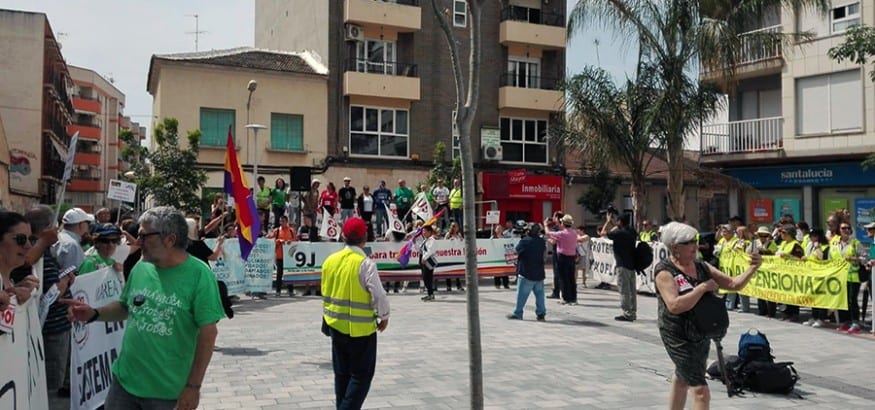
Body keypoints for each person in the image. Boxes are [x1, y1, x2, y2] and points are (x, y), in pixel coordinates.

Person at [62, 206, 226, 410]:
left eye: (143, 236)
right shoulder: (142, 266)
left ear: (170, 239)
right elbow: (125, 306)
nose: (137, 242)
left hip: (167, 393)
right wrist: (95, 313)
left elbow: (208, 334)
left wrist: (193, 387)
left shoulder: (199, 275)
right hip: (124, 384)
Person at [654, 222, 762, 410]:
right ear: (675, 247)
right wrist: (702, 288)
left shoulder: (701, 266)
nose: (695, 246)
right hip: (677, 334)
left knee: (682, 377)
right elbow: (674, 305)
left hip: (701, 330)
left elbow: (734, 284)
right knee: (701, 391)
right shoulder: (665, 272)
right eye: (689, 243)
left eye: (695, 241)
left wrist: (752, 269)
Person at [321, 217, 390, 409]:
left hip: (335, 326)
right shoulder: (365, 264)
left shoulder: (329, 262)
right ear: (365, 239)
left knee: (341, 376)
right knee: (361, 376)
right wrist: (384, 316)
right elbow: (379, 295)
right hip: (361, 330)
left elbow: (326, 292)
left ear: (343, 236)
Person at [11, 206, 68, 398]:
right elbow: (27, 260)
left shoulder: (43, 247)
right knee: (44, 388)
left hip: (51, 326)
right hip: (44, 330)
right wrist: (43, 241)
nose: (25, 245)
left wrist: (64, 280)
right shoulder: (32, 247)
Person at [601, 212, 637, 321]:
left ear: (620, 222)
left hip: (622, 265)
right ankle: (633, 312)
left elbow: (603, 233)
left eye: (617, 221)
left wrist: (608, 221)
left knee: (624, 291)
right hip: (632, 264)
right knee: (632, 291)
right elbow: (617, 231)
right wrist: (615, 224)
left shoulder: (619, 234)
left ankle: (627, 313)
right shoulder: (631, 231)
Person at [507, 223, 547, 321]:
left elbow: (515, 251)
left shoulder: (525, 241)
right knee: (540, 295)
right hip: (539, 273)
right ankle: (541, 313)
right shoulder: (541, 241)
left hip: (526, 273)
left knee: (521, 295)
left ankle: (518, 313)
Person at [832, 222, 863, 334]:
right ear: (839, 230)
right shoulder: (834, 243)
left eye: (848, 228)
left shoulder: (855, 243)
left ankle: (855, 322)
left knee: (851, 300)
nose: (846, 230)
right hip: (839, 276)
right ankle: (845, 321)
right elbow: (831, 258)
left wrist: (854, 258)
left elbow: (864, 258)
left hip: (852, 276)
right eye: (843, 228)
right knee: (841, 300)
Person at [547, 215, 579, 305]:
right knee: (571, 278)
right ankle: (573, 298)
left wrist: (545, 225)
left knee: (563, 278)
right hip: (571, 257)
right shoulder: (574, 233)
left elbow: (548, 233)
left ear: (563, 224)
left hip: (562, 257)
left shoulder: (562, 234)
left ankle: (565, 298)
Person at [803, 228, 830, 327]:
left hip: (821, 275)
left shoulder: (825, 247)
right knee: (813, 296)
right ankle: (813, 316)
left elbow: (822, 258)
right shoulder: (809, 245)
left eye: (812, 235)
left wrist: (818, 247)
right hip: (811, 274)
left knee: (821, 297)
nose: (810, 237)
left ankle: (821, 318)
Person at [53, 207, 93, 274]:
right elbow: (72, 275)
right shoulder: (72, 245)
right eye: (88, 223)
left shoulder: (57, 237)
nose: (88, 226)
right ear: (81, 224)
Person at [267, 215, 296, 297]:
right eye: (280, 221)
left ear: (286, 222)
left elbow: (296, 240)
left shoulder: (291, 230)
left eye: (283, 221)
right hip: (279, 256)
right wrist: (279, 241)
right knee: (279, 274)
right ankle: (278, 291)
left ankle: (290, 291)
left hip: (289, 256)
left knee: (289, 274)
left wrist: (290, 241)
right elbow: (270, 239)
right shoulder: (277, 231)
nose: (281, 223)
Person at [443, 222, 464, 292]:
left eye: (457, 227)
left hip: (457, 255)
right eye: (454, 227)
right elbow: (444, 243)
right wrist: (449, 241)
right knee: (449, 271)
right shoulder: (448, 234)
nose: (456, 228)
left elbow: (462, 243)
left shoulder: (459, 234)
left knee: (457, 270)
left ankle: (459, 285)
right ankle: (448, 286)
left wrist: (461, 240)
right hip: (449, 255)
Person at [419, 225, 437, 301]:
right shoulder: (425, 240)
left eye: (425, 231)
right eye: (423, 231)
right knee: (425, 278)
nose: (423, 233)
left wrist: (424, 258)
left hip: (427, 261)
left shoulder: (431, 240)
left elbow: (430, 251)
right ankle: (430, 294)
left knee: (427, 278)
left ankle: (431, 294)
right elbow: (421, 250)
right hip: (424, 261)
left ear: (429, 232)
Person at [492, 225, 510, 289]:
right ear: (495, 230)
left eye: (500, 228)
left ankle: (506, 284)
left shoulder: (505, 237)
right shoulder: (492, 238)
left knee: (505, 271)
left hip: (503, 256)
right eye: (497, 228)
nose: (499, 230)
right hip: (496, 256)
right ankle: (497, 284)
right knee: (497, 271)